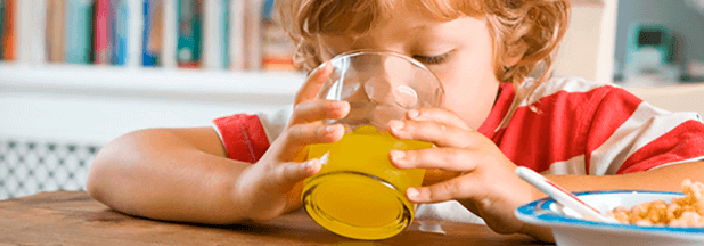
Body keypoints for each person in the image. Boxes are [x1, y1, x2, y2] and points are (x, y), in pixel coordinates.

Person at [86, 0, 704, 241]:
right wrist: (246, 190)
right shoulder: (312, 138)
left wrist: (527, 195)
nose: (387, 93)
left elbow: (695, 181)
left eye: (429, 58)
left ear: (512, 42)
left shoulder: (577, 123)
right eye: (351, 60)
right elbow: (117, 164)